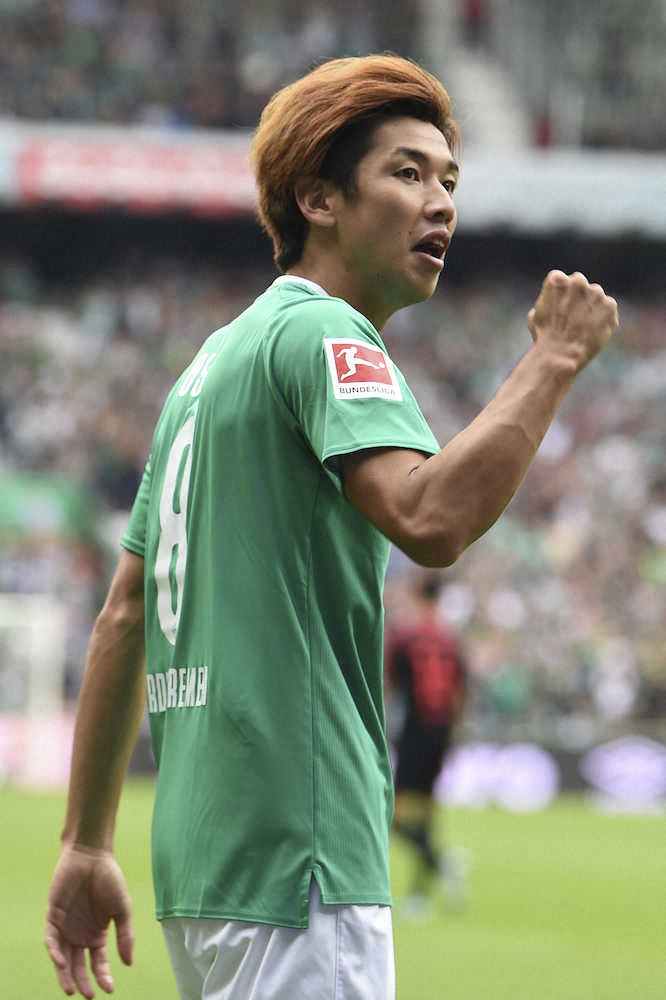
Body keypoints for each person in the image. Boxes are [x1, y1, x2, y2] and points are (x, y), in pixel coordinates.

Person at [45, 53, 618, 1000]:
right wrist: (553, 358)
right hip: (301, 858)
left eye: (449, 180)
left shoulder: (206, 370)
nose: (440, 203)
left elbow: (124, 613)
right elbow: (429, 517)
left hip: (203, 870)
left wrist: (85, 842)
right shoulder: (325, 333)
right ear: (318, 199)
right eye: (407, 172)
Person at [386, 572, 468, 918]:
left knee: (392, 817)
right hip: (441, 732)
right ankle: (420, 895)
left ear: (418, 595)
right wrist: (451, 736)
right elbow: (461, 693)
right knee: (427, 814)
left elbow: (390, 686)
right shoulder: (451, 640)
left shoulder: (405, 636)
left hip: (414, 732)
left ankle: (441, 862)